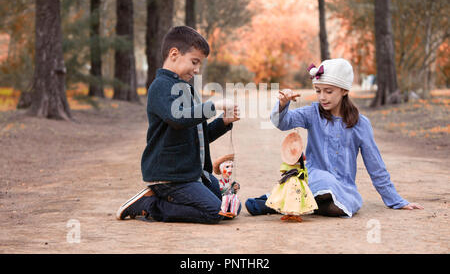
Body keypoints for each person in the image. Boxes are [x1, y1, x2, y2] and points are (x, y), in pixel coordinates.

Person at [248, 58, 423, 218]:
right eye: (318, 91)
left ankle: (292, 203)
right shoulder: (312, 113)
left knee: (346, 206)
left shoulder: (361, 124)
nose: (322, 96)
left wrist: (396, 200)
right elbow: (283, 122)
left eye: (329, 91)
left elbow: (375, 165)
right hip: (315, 178)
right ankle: (277, 201)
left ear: (344, 90)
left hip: (344, 187)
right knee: (326, 180)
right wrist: (282, 104)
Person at [116, 26, 240, 224]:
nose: (197, 69)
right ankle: (150, 205)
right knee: (216, 212)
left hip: (192, 174)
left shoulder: (186, 89)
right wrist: (213, 106)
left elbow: (197, 135)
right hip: (171, 176)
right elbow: (178, 118)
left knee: (233, 206)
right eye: (194, 61)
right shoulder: (160, 86)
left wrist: (223, 122)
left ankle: (168, 199)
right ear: (174, 54)